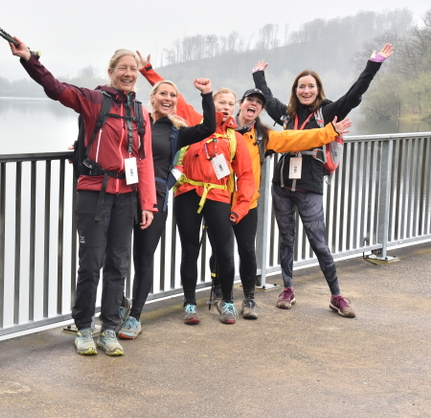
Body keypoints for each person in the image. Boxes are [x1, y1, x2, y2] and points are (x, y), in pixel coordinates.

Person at [9, 38, 156, 356]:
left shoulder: (140, 112)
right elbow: (58, 90)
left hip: (126, 197)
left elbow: (143, 161)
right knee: (91, 263)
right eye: (123, 68)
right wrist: (29, 59)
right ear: (111, 71)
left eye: (133, 69)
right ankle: (85, 327)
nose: (128, 73)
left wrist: (147, 203)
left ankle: (110, 330)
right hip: (94, 193)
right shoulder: (94, 100)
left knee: (119, 265)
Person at [252, 43, 394, 318]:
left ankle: (336, 295)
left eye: (310, 87)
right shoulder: (286, 114)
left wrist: (373, 64)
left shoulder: (328, 113)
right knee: (286, 239)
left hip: (309, 187)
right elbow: (266, 99)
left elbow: (355, 95)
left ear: (318, 90)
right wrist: (258, 76)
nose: (306, 91)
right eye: (301, 87)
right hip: (281, 186)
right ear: (295, 90)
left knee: (319, 242)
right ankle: (288, 289)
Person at [214, 87, 353, 319]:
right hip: (217, 201)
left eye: (259, 102)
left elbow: (297, 137)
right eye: (250, 99)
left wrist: (329, 132)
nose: (254, 104)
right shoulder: (217, 128)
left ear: (261, 109)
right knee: (219, 252)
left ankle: (249, 299)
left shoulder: (263, 136)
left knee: (247, 252)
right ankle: (219, 294)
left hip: (247, 204)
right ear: (241, 103)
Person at [117, 75, 217, 339]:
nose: (168, 99)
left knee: (143, 257)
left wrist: (206, 94)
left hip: (155, 199)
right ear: (152, 97)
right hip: (125, 193)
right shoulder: (137, 120)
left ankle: (135, 317)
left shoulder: (178, 131)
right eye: (163, 94)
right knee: (116, 255)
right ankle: (116, 305)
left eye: (173, 96)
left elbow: (208, 128)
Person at [174, 88, 255, 324]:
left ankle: (227, 301)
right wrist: (147, 70)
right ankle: (190, 303)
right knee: (190, 251)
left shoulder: (235, 138)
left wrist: (240, 208)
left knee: (225, 252)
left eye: (231, 103)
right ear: (212, 103)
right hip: (187, 193)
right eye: (221, 102)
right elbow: (174, 99)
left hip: (218, 196)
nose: (226, 107)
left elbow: (246, 177)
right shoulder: (194, 123)